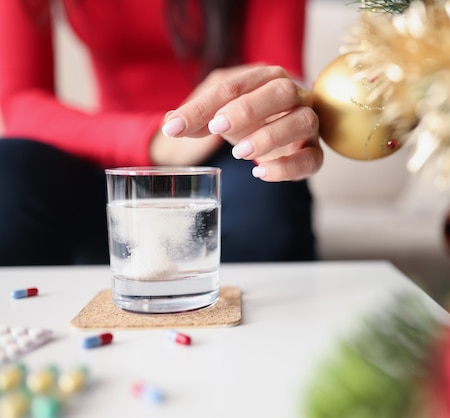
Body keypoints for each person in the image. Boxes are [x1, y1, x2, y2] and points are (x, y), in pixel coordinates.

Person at [0, 0, 323, 266]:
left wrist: (281, 115)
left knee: (266, 194)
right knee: (10, 173)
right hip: (106, 164)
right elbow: (19, 101)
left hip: (225, 155)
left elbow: (277, 73)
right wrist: (152, 140)